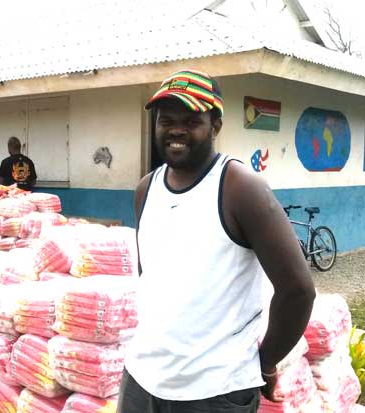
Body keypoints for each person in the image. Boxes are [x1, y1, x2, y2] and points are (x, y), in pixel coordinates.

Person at [118, 70, 316, 412]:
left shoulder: (241, 189)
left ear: (216, 125)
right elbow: (152, 277)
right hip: (141, 380)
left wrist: (266, 362)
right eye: (166, 120)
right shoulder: (146, 190)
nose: (176, 129)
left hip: (214, 392)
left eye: (192, 120)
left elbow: (298, 291)